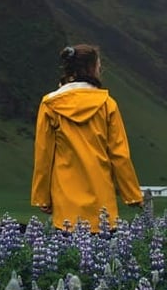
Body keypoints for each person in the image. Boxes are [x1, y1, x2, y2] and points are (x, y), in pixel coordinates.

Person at [30, 43, 144, 232]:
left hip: (66, 207)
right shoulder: (108, 104)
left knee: (67, 260)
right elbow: (119, 155)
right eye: (99, 66)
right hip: (102, 208)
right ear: (91, 69)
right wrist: (132, 195)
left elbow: (43, 155)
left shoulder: (50, 104)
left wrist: (42, 197)